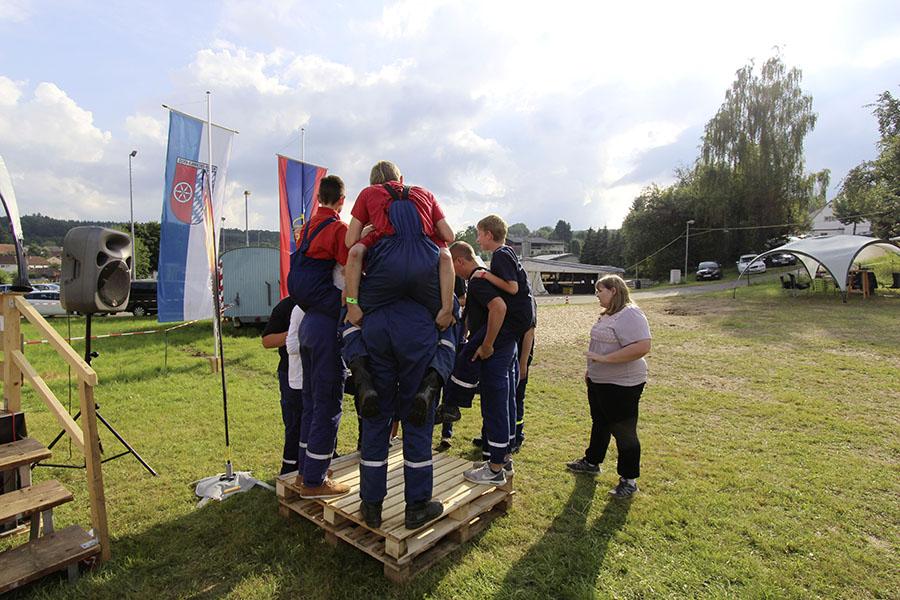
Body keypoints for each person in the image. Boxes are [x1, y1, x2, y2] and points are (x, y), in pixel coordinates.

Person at [342, 161, 458, 427]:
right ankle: (435, 376)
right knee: (452, 311)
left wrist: (353, 303)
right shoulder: (425, 193)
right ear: (402, 178)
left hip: (385, 272)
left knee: (348, 312)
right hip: (423, 268)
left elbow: (351, 244)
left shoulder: (368, 194)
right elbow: (449, 235)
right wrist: (445, 308)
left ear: (373, 184)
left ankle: (360, 374)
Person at [287, 175, 351, 499]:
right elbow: (348, 266)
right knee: (328, 402)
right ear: (342, 199)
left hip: (307, 323)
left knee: (311, 403)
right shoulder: (337, 229)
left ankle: (304, 472)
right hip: (327, 325)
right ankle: (316, 480)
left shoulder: (308, 228)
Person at [566, 274, 651, 500]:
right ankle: (592, 461)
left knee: (624, 432)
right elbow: (599, 346)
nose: (597, 295)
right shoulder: (608, 315)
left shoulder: (630, 314)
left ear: (614, 290)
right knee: (600, 422)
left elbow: (642, 346)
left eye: (600, 290)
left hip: (622, 384)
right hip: (599, 381)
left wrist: (606, 360)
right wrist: (591, 370)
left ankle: (629, 480)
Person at [442, 241, 519, 485]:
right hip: (508, 347)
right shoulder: (486, 277)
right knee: (504, 404)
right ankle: (502, 461)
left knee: (494, 405)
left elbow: (498, 307)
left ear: (459, 262)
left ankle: (494, 469)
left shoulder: (477, 280)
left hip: (495, 352)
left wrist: (486, 344)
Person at [261, 296, 303, 475]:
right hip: (290, 373)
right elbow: (267, 341)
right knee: (295, 421)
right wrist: (294, 333)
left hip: (318, 371)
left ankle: (326, 458)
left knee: (321, 418)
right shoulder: (286, 306)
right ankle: (289, 468)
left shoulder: (323, 300)